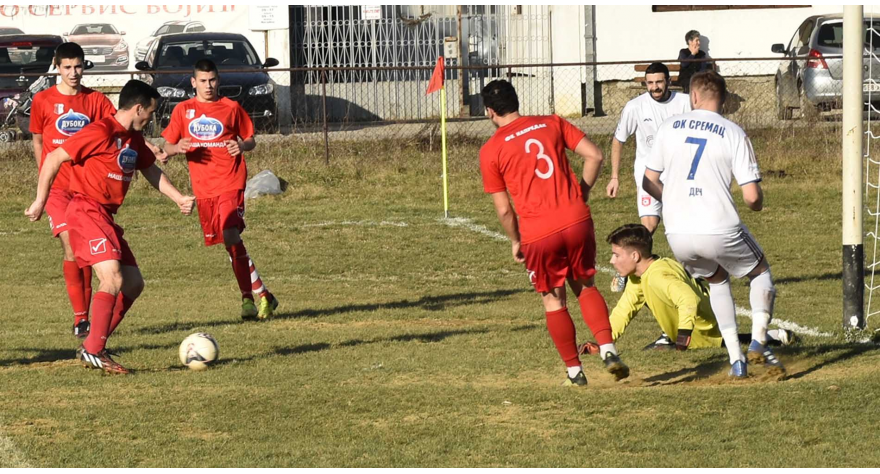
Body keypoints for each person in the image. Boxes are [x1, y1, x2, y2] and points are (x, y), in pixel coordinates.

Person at [25, 80, 195, 374]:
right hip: (86, 211)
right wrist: (41, 200)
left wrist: (178, 197)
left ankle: (92, 344)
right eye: (151, 112)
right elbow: (53, 157)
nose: (151, 118)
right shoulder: (100, 130)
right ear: (138, 108)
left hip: (105, 216)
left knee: (133, 283)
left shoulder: (133, 139)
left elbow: (151, 170)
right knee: (112, 278)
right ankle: (94, 349)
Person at [478, 79, 629, 387]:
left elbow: (504, 210)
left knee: (553, 301)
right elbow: (595, 156)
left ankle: (574, 372)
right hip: (576, 220)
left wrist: (516, 240)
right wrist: (581, 193)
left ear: (490, 111)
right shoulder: (552, 122)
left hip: (539, 231)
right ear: (516, 102)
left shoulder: (491, 149)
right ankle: (608, 350)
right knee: (585, 285)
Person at [642, 71, 780, 378]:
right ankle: (758, 341)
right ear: (725, 99)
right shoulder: (733, 132)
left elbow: (648, 180)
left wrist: (673, 200)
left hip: (678, 232)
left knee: (717, 281)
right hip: (718, 226)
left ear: (693, 96)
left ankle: (737, 361)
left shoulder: (668, 127)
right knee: (760, 272)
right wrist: (758, 203)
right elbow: (752, 197)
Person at [161, 59, 278, 321]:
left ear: (218, 80)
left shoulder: (231, 107)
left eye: (212, 80)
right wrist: (176, 148)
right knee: (229, 243)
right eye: (203, 81)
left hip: (231, 181)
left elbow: (250, 139)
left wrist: (242, 146)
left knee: (230, 233)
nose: (208, 85)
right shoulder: (183, 110)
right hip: (204, 188)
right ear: (194, 82)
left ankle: (248, 299)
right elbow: (167, 146)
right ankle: (263, 295)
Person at [578, 224, 795, 355]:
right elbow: (623, 312)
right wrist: (604, 343)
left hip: (703, 327)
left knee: (719, 344)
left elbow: (689, 299)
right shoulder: (640, 277)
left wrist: (683, 335)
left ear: (635, 256)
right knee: (722, 342)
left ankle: (773, 337)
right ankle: (774, 336)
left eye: (616, 255)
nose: (611, 260)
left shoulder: (658, 275)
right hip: (697, 327)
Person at [29, 42, 116, 339]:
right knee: (69, 244)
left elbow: (119, 128)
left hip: (86, 188)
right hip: (57, 189)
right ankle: (80, 318)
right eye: (67, 67)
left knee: (83, 249)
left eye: (78, 66)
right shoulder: (43, 100)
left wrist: (151, 148)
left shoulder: (96, 101)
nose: (73, 72)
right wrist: (44, 177)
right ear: (57, 67)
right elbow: (38, 141)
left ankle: (86, 317)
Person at [607, 62, 691, 295]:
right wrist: (614, 176)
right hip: (647, 176)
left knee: (682, 226)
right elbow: (618, 140)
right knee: (649, 226)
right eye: (650, 83)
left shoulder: (685, 103)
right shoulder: (635, 107)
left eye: (659, 82)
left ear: (669, 81)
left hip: (679, 175)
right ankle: (624, 269)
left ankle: (691, 272)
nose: (655, 87)